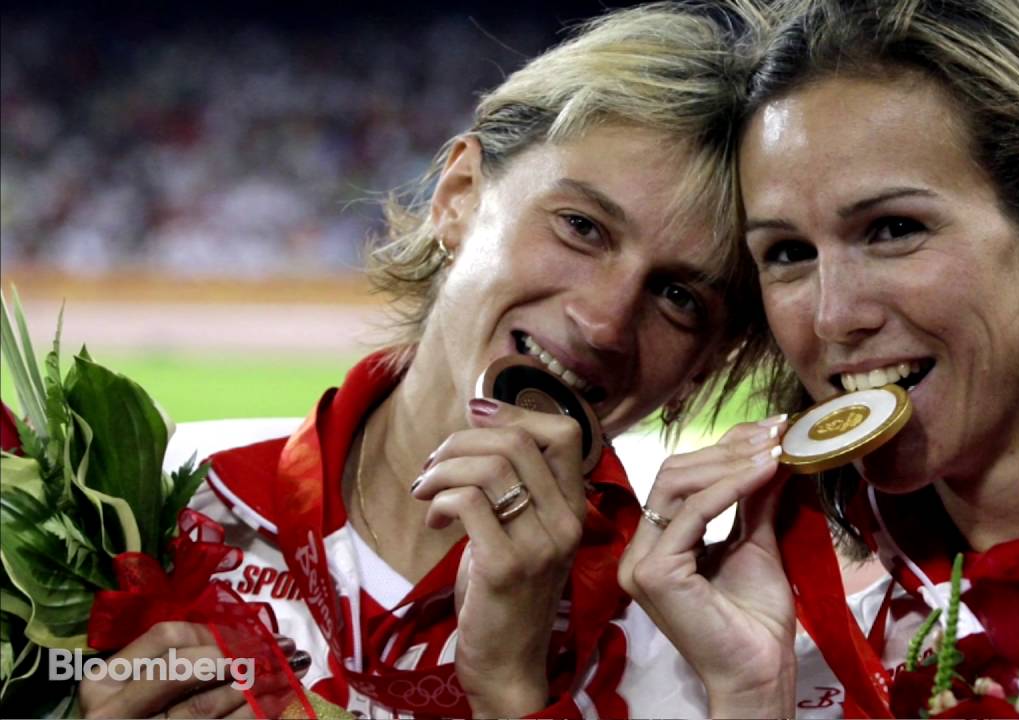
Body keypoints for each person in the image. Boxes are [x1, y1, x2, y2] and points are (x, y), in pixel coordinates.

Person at [76, 3, 773, 718]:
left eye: (680, 297)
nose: (604, 322)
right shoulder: (152, 508)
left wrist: (510, 690)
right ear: (458, 196)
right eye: (581, 227)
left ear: (705, 365)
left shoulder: (689, 646)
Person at [618, 0, 1019, 717]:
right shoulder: (755, 645)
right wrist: (749, 699)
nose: (834, 316)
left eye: (893, 229)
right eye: (787, 253)